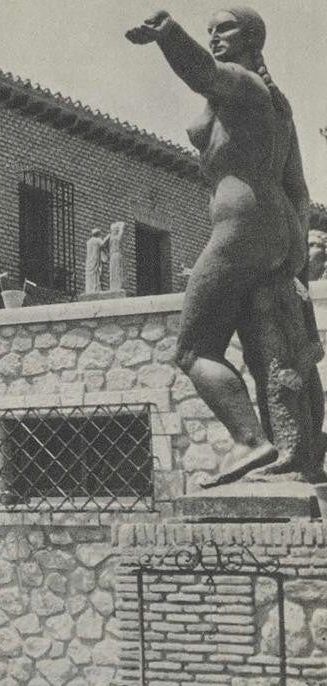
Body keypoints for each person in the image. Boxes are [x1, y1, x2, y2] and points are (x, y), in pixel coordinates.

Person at [126, 7, 323, 485]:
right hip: (274, 227)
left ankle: (250, 442)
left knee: (193, 349)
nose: (215, 37)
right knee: (268, 348)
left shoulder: (239, 81)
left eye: (225, 29)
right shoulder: (276, 101)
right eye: (209, 30)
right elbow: (296, 186)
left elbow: (203, 74)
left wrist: (168, 33)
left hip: (241, 225)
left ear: (251, 38)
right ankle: (299, 454)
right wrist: (294, 254)